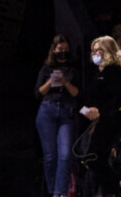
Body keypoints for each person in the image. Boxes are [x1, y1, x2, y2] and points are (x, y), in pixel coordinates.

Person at [80, 36, 121, 197]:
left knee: (94, 157)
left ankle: (120, 184)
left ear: (108, 51)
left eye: (98, 50)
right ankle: (115, 189)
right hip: (102, 120)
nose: (94, 53)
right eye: (93, 50)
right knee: (94, 158)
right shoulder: (99, 73)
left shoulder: (113, 71)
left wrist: (100, 111)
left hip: (112, 120)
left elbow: (118, 97)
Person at [34, 35, 80, 197]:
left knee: (65, 154)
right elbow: (37, 93)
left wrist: (65, 82)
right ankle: (53, 190)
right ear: (54, 50)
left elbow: (77, 93)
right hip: (48, 111)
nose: (63, 53)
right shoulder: (46, 69)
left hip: (66, 112)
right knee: (50, 156)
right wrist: (50, 82)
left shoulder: (73, 69)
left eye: (66, 50)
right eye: (60, 50)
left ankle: (60, 193)